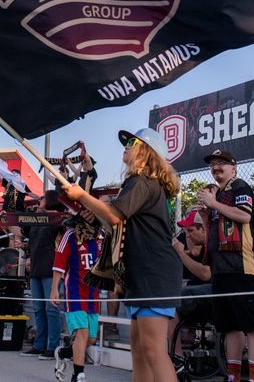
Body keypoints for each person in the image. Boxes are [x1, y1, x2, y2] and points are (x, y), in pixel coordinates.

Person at [62, 127, 181, 382]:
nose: (126, 145)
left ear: (147, 151)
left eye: (132, 142)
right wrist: (89, 205)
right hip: (142, 275)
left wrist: (83, 195)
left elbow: (115, 214)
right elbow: (115, 223)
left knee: (152, 350)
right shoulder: (141, 182)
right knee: (139, 350)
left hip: (154, 274)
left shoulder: (143, 179)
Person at [197, 150, 254, 382]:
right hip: (220, 269)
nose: (216, 167)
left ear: (234, 167)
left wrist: (213, 203)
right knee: (229, 327)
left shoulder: (240, 187)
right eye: (213, 164)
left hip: (242, 268)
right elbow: (213, 232)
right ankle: (233, 377)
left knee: (253, 326)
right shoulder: (218, 194)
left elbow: (244, 216)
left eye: (222, 163)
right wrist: (206, 215)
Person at [51, 211, 102, 382]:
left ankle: (64, 352)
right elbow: (59, 261)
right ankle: (78, 374)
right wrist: (54, 289)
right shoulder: (70, 235)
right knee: (82, 331)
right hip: (74, 291)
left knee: (91, 338)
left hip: (93, 293)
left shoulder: (101, 237)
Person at [20, 190, 63, 359]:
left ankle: (53, 347)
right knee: (38, 309)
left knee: (51, 308)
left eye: (43, 197)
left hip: (51, 268)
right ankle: (39, 344)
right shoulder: (36, 220)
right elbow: (20, 231)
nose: (40, 199)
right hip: (36, 268)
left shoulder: (58, 219)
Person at [171, 208, 212, 331]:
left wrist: (181, 254)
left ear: (203, 229)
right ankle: (189, 335)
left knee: (171, 300)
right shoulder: (203, 243)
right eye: (185, 231)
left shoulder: (212, 243)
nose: (187, 235)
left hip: (221, 293)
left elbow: (206, 274)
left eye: (191, 230)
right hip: (206, 290)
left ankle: (176, 350)